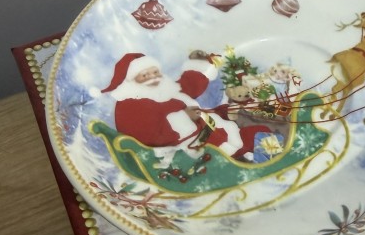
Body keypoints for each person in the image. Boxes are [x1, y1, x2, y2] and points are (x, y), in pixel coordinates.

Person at [100, 52, 252, 159]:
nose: (153, 77)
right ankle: (229, 158)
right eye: (145, 75)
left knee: (225, 126)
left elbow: (186, 87)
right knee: (215, 135)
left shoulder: (162, 89)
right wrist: (185, 117)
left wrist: (200, 65)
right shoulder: (130, 103)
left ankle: (238, 153)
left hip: (194, 130)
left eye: (155, 72)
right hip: (171, 146)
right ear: (132, 79)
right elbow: (147, 133)